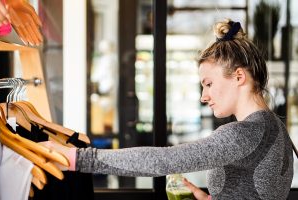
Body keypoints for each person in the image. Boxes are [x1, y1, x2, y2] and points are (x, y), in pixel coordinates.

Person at [44, 18, 294, 199]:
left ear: (239, 77)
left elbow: (163, 160)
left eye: (208, 84)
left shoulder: (244, 133)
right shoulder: (274, 126)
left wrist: (76, 157)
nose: (204, 97)